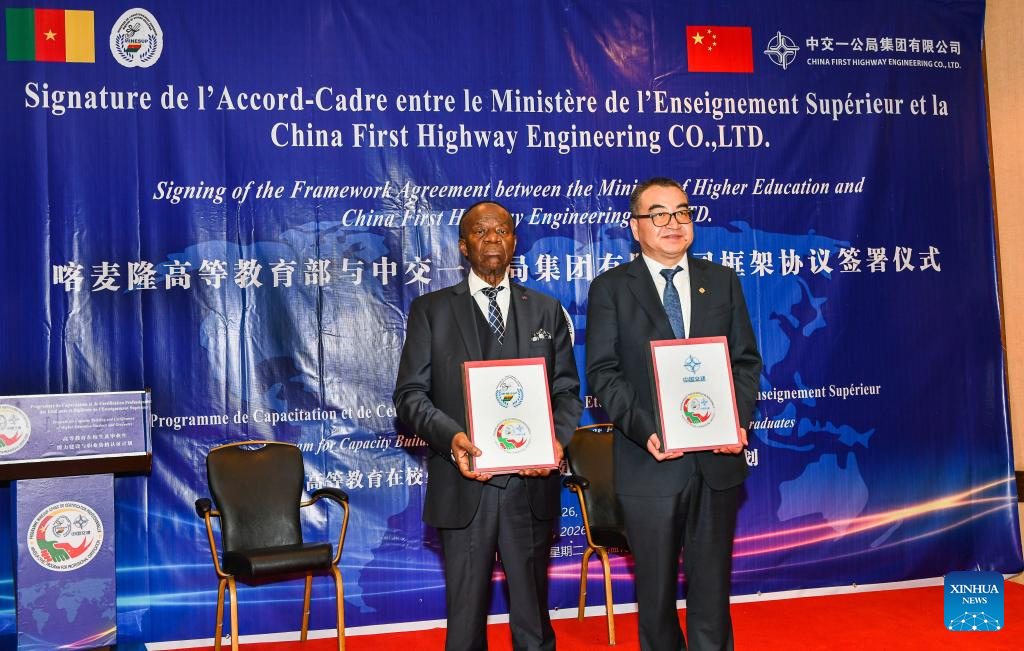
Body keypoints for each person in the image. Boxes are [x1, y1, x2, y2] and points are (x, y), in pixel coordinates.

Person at [394, 200, 583, 651]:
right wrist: (452, 438)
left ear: (514, 241)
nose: (492, 237)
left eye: (502, 229)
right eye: (480, 231)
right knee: (464, 624)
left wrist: (554, 442)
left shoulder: (546, 309)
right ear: (464, 246)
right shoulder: (431, 310)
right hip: (463, 483)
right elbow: (409, 396)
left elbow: (567, 392)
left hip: (530, 485)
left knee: (533, 621)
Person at [585, 177, 762, 651]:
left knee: (712, 591)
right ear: (635, 227)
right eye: (658, 214)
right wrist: (646, 430)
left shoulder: (722, 281)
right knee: (657, 596)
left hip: (717, 462)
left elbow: (745, 362)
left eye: (682, 212)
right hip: (650, 462)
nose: (673, 223)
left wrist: (735, 420)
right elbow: (603, 373)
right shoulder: (611, 289)